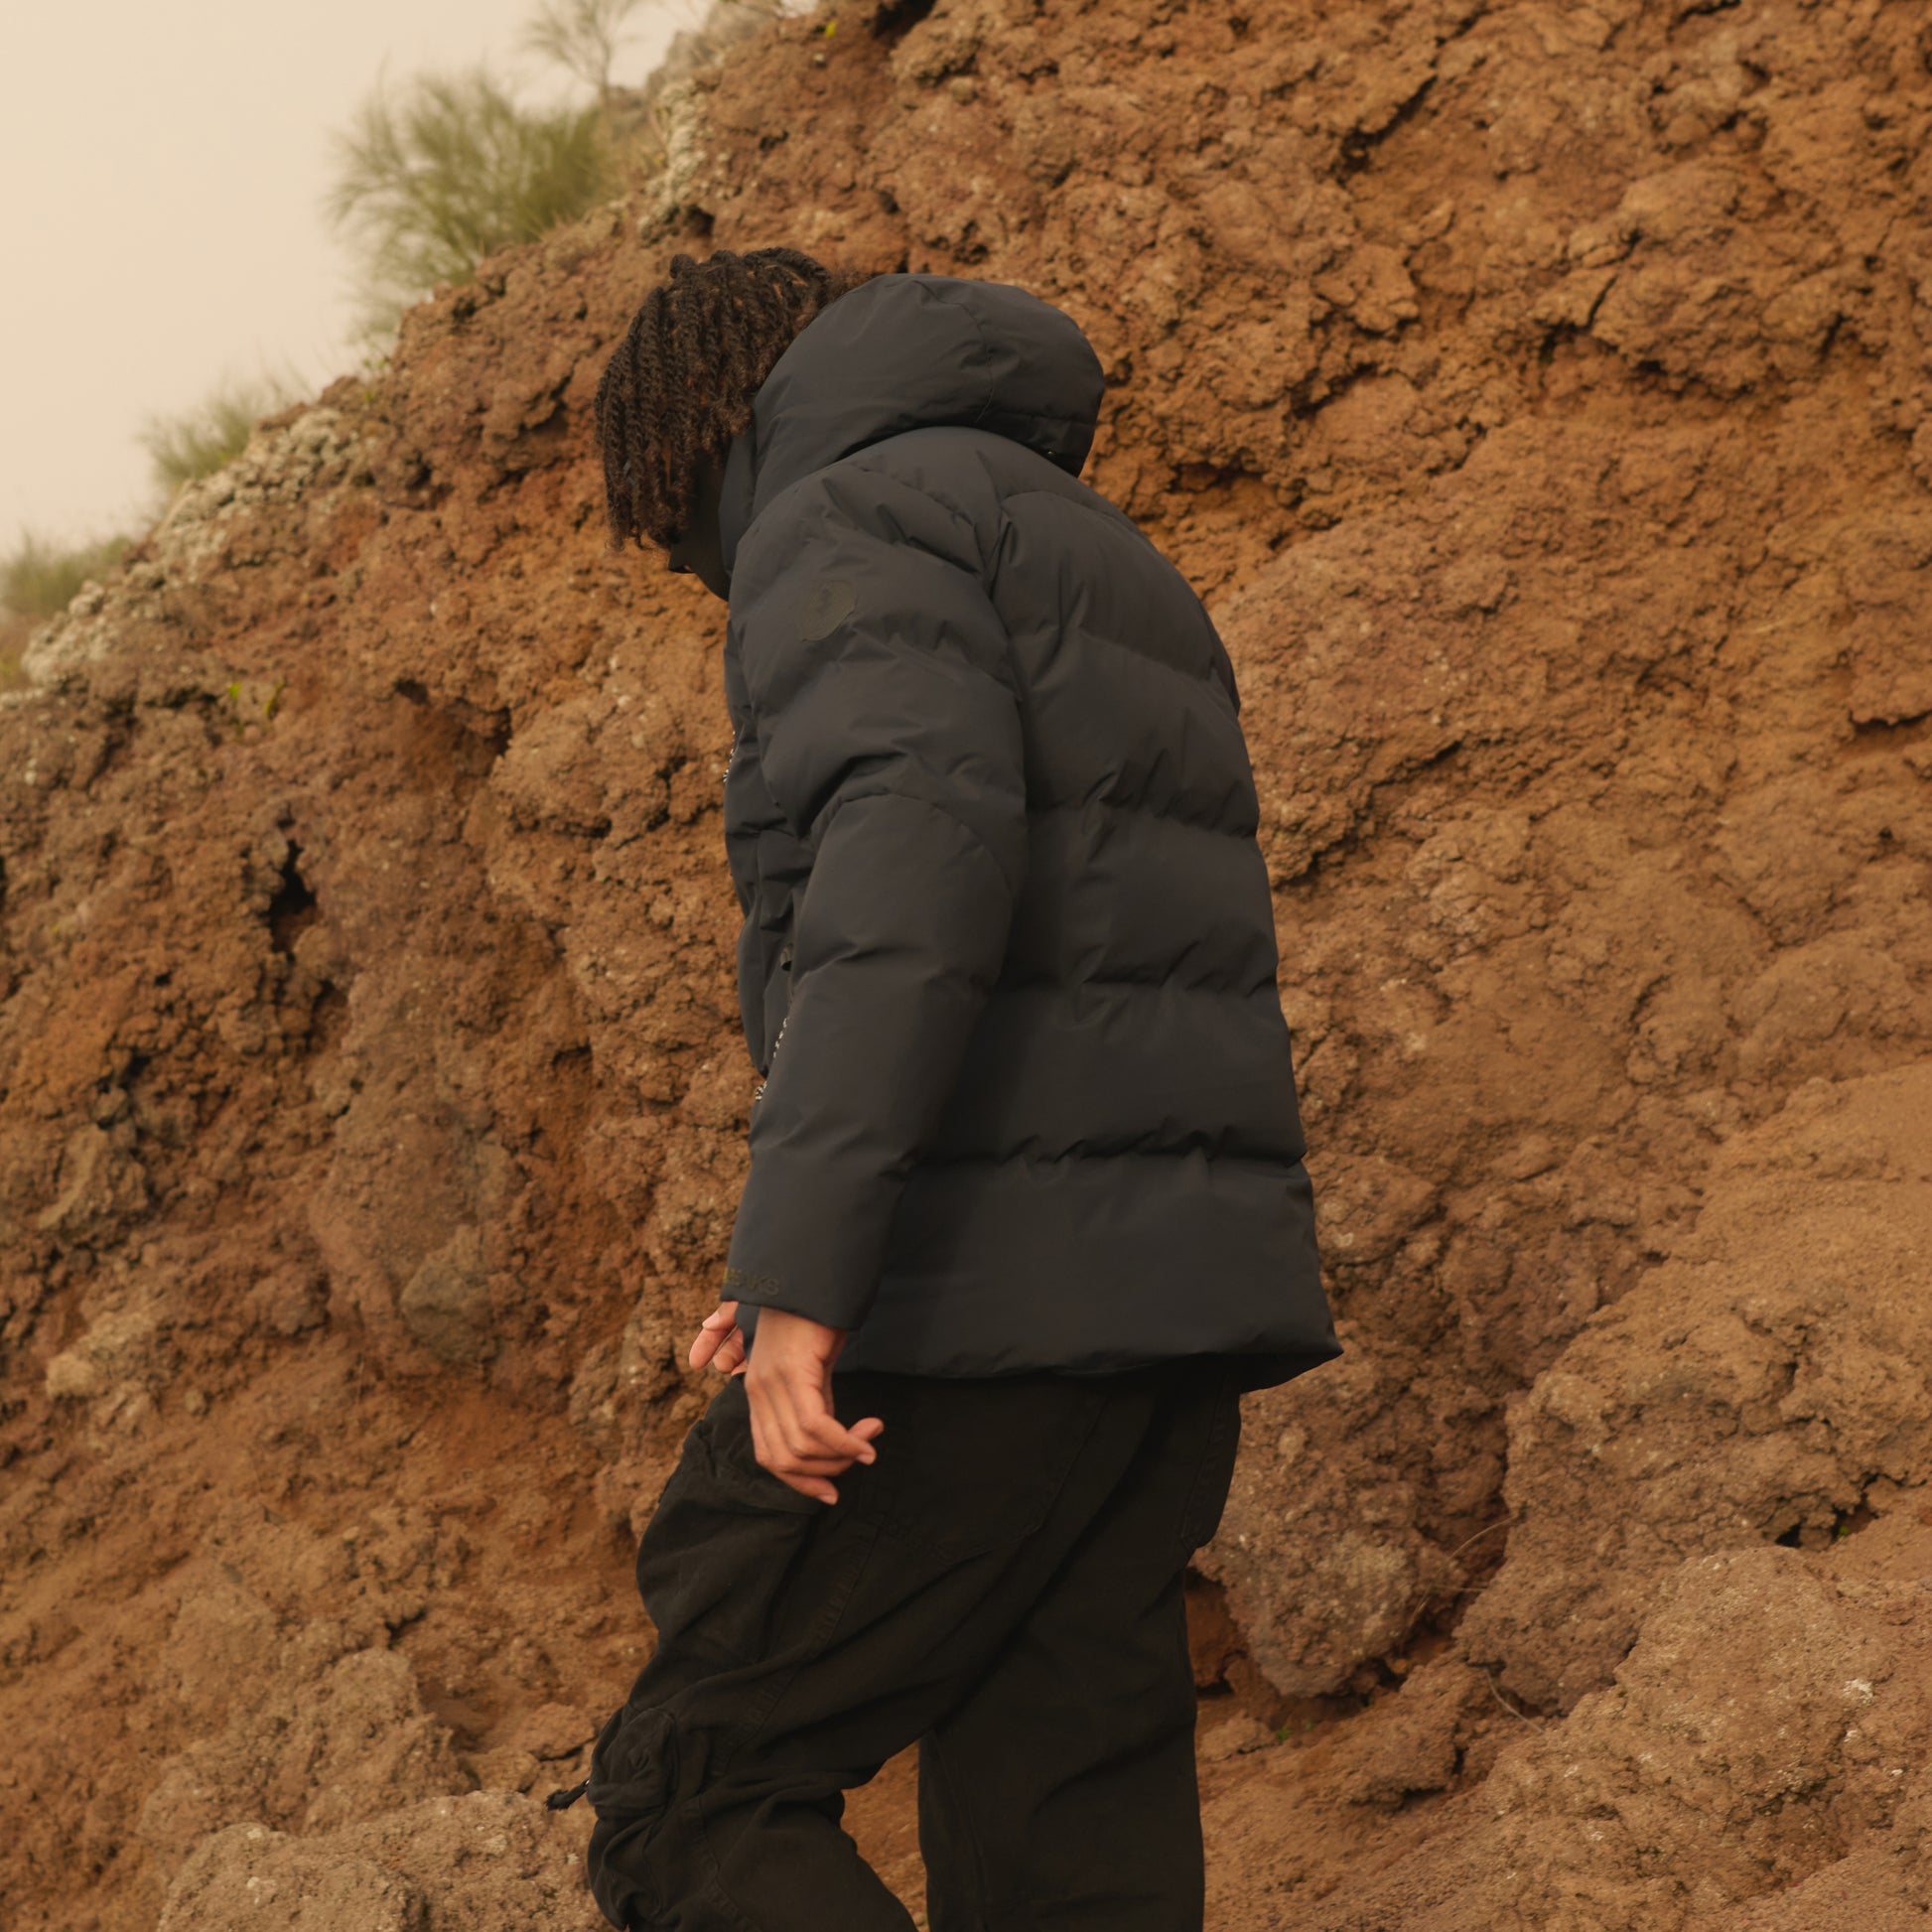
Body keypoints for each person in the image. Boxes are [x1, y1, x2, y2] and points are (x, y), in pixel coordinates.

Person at [566, 246, 1338, 1932]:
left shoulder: (837, 524)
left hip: (986, 1305)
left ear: (697, 446)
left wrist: (799, 1279)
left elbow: (914, 878)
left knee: (687, 1795)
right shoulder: (1073, 537)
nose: (709, 581)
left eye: (683, 544)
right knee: (1064, 1836)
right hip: (1167, 1305)